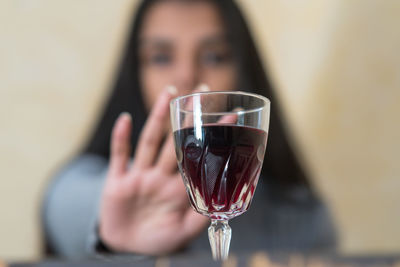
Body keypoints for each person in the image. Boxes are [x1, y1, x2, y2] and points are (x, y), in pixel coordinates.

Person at [42, 0, 336, 259]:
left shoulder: (301, 219)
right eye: (161, 57)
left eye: (214, 56)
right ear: (135, 74)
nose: (187, 75)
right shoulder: (77, 186)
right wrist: (114, 235)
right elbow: (65, 206)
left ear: (243, 70)